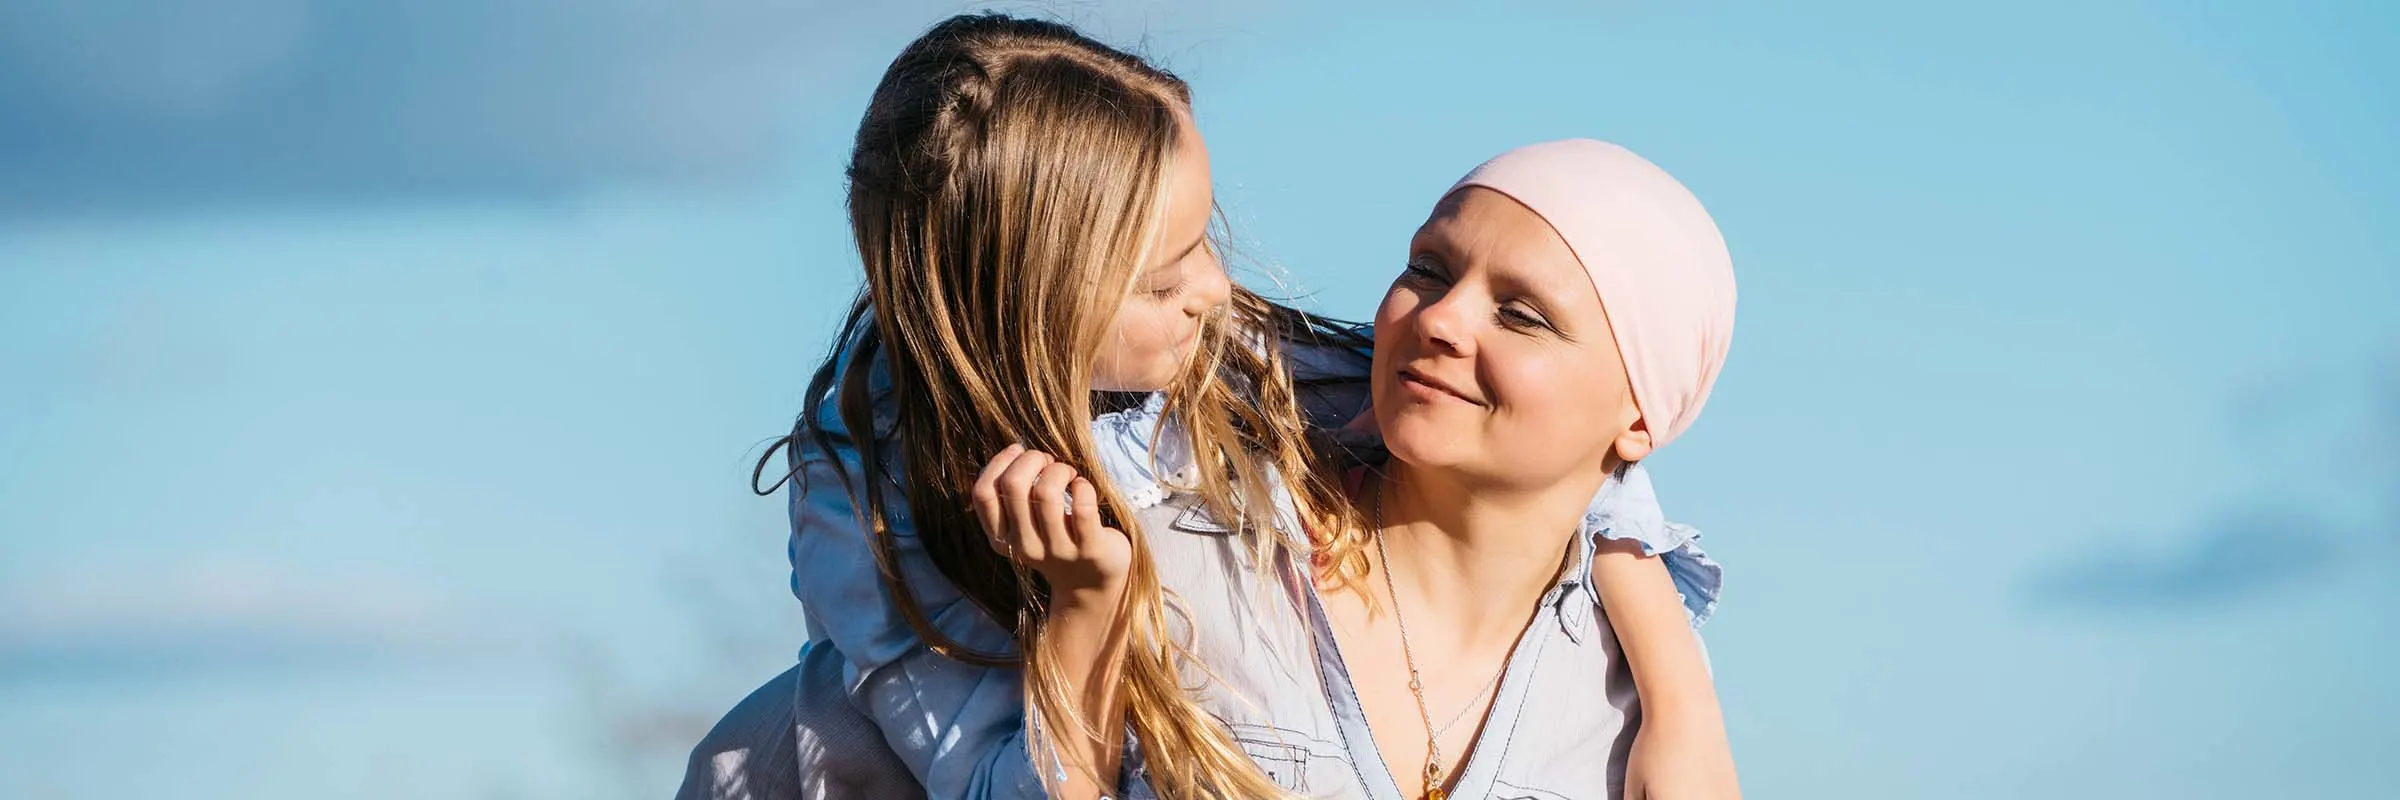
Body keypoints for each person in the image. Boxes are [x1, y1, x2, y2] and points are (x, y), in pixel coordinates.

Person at [680, 13, 1732, 800]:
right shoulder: (884, 504)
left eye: (1524, 312)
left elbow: (1587, 455)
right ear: (1032, 306)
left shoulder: (1251, 384)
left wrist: (1681, 700)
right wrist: (1084, 614)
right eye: (1161, 273)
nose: (1222, 295)